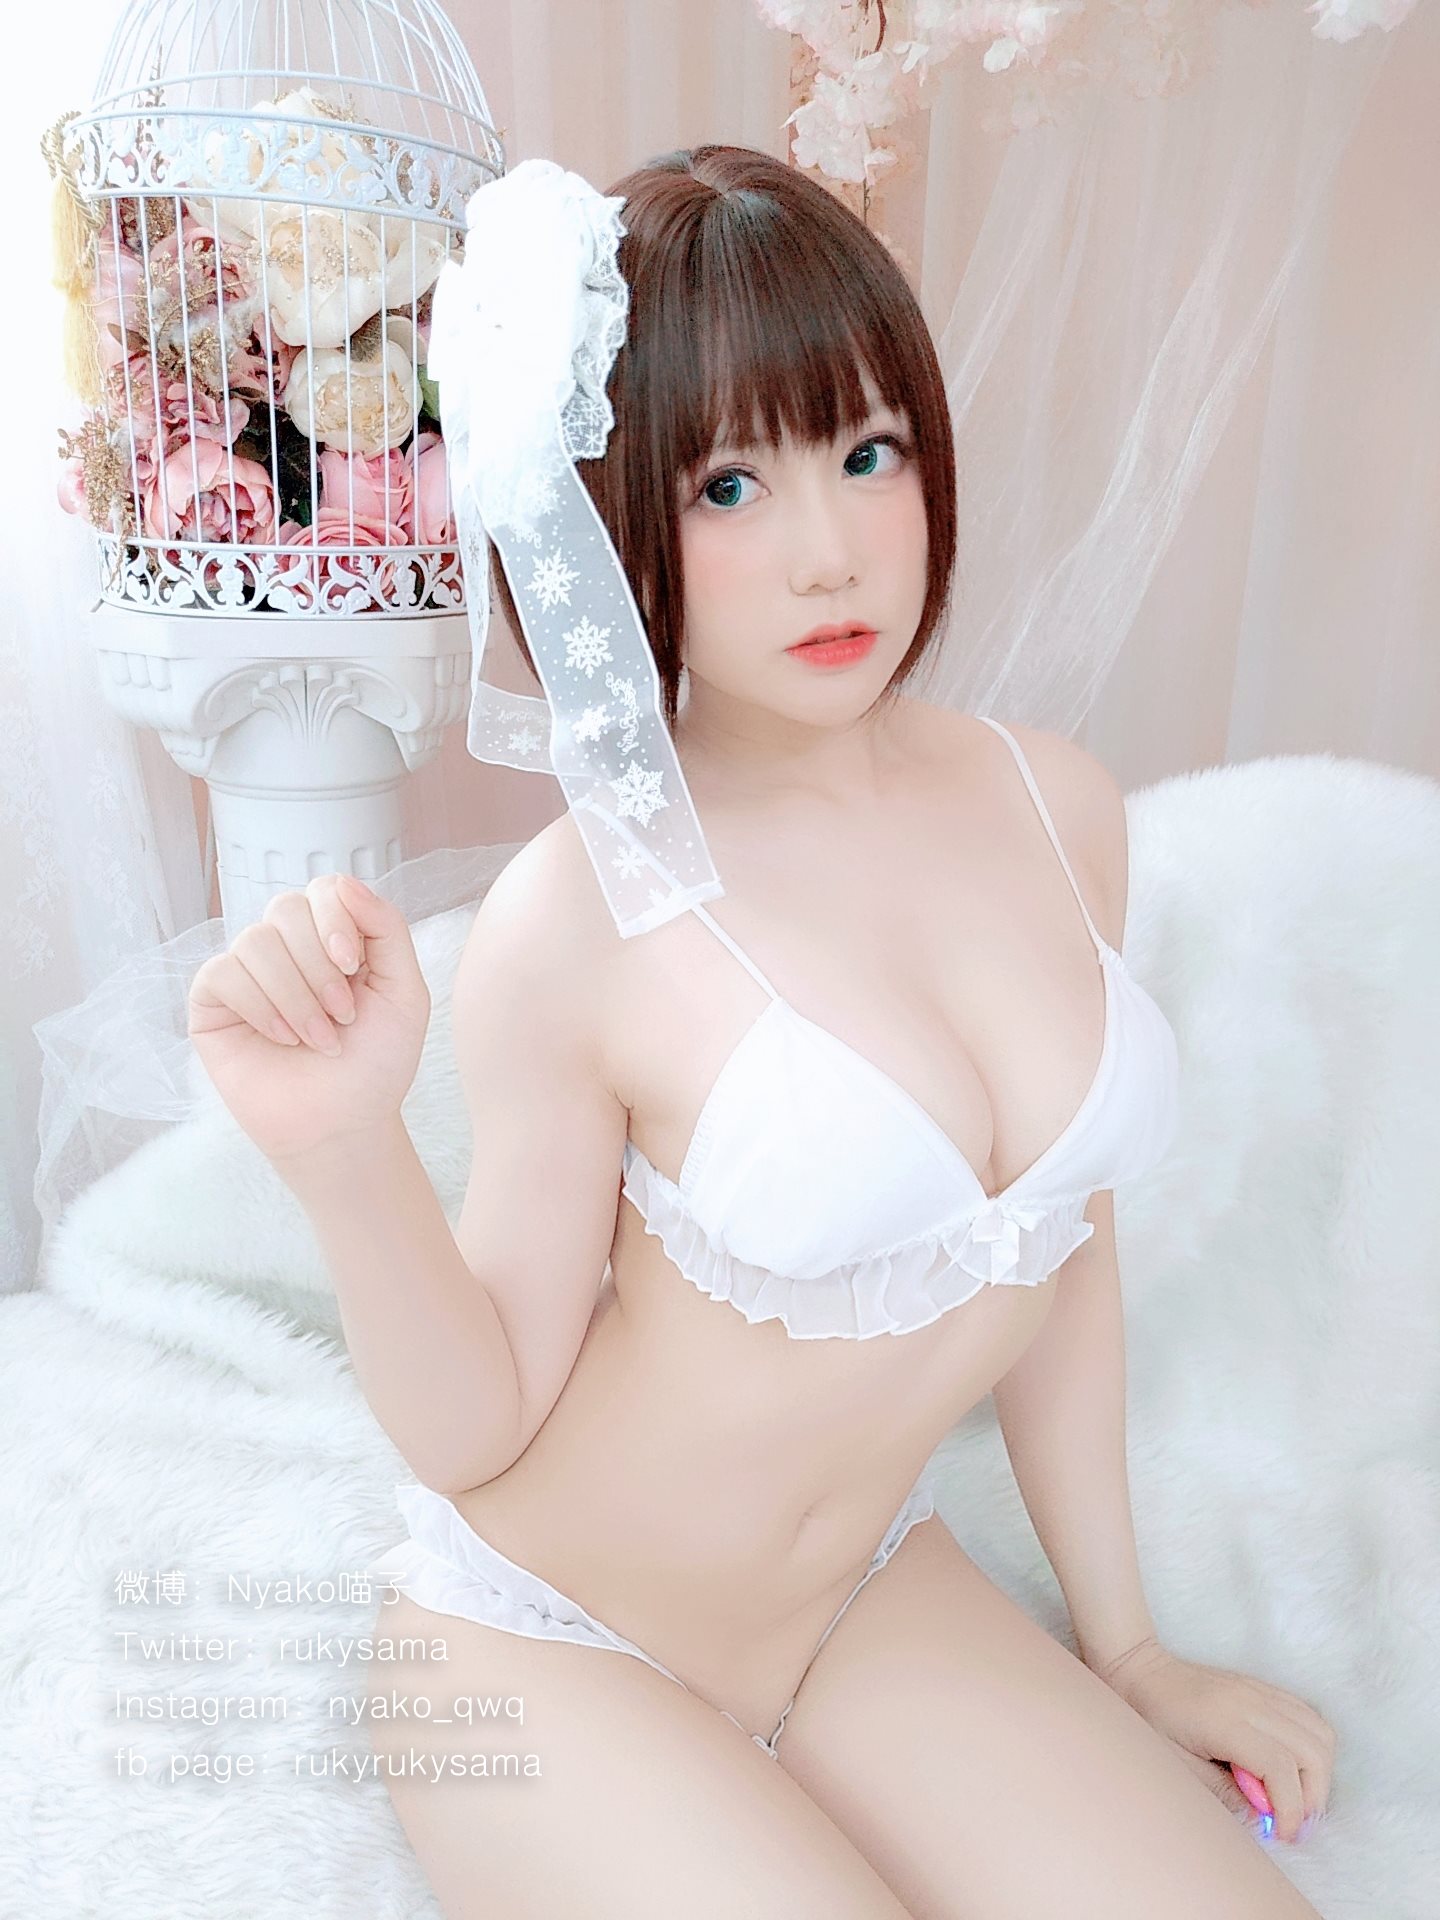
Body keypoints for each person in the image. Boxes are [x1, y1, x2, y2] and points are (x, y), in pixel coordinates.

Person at [187, 146, 1333, 1919]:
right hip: (549, 1648)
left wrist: (1129, 1648)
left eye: (867, 453)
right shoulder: (583, 917)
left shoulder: (1058, 807)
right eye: (729, 485)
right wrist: (344, 1150)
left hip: (864, 1597)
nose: (828, 552)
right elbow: (481, 1420)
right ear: (609, 521)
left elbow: (1063, 1245)